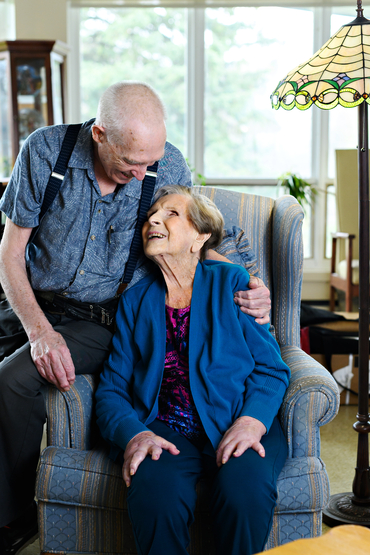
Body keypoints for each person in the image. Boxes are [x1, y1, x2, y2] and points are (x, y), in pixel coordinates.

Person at [0, 82, 271, 554]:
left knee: (12, 381)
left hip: (96, 317)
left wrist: (249, 283)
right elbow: (11, 251)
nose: (146, 172)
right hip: (28, 298)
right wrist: (38, 329)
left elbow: (196, 231)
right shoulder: (45, 151)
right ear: (100, 134)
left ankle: (10, 519)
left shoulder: (167, 163)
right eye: (133, 164)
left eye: (152, 161)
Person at [95, 185, 290, 555]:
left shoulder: (233, 283)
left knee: (243, 494)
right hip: (164, 428)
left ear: (200, 236)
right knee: (155, 493)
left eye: (171, 214)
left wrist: (251, 422)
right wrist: (135, 435)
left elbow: (271, 370)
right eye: (152, 214)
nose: (153, 219)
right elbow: (111, 390)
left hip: (238, 418)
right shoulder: (135, 301)